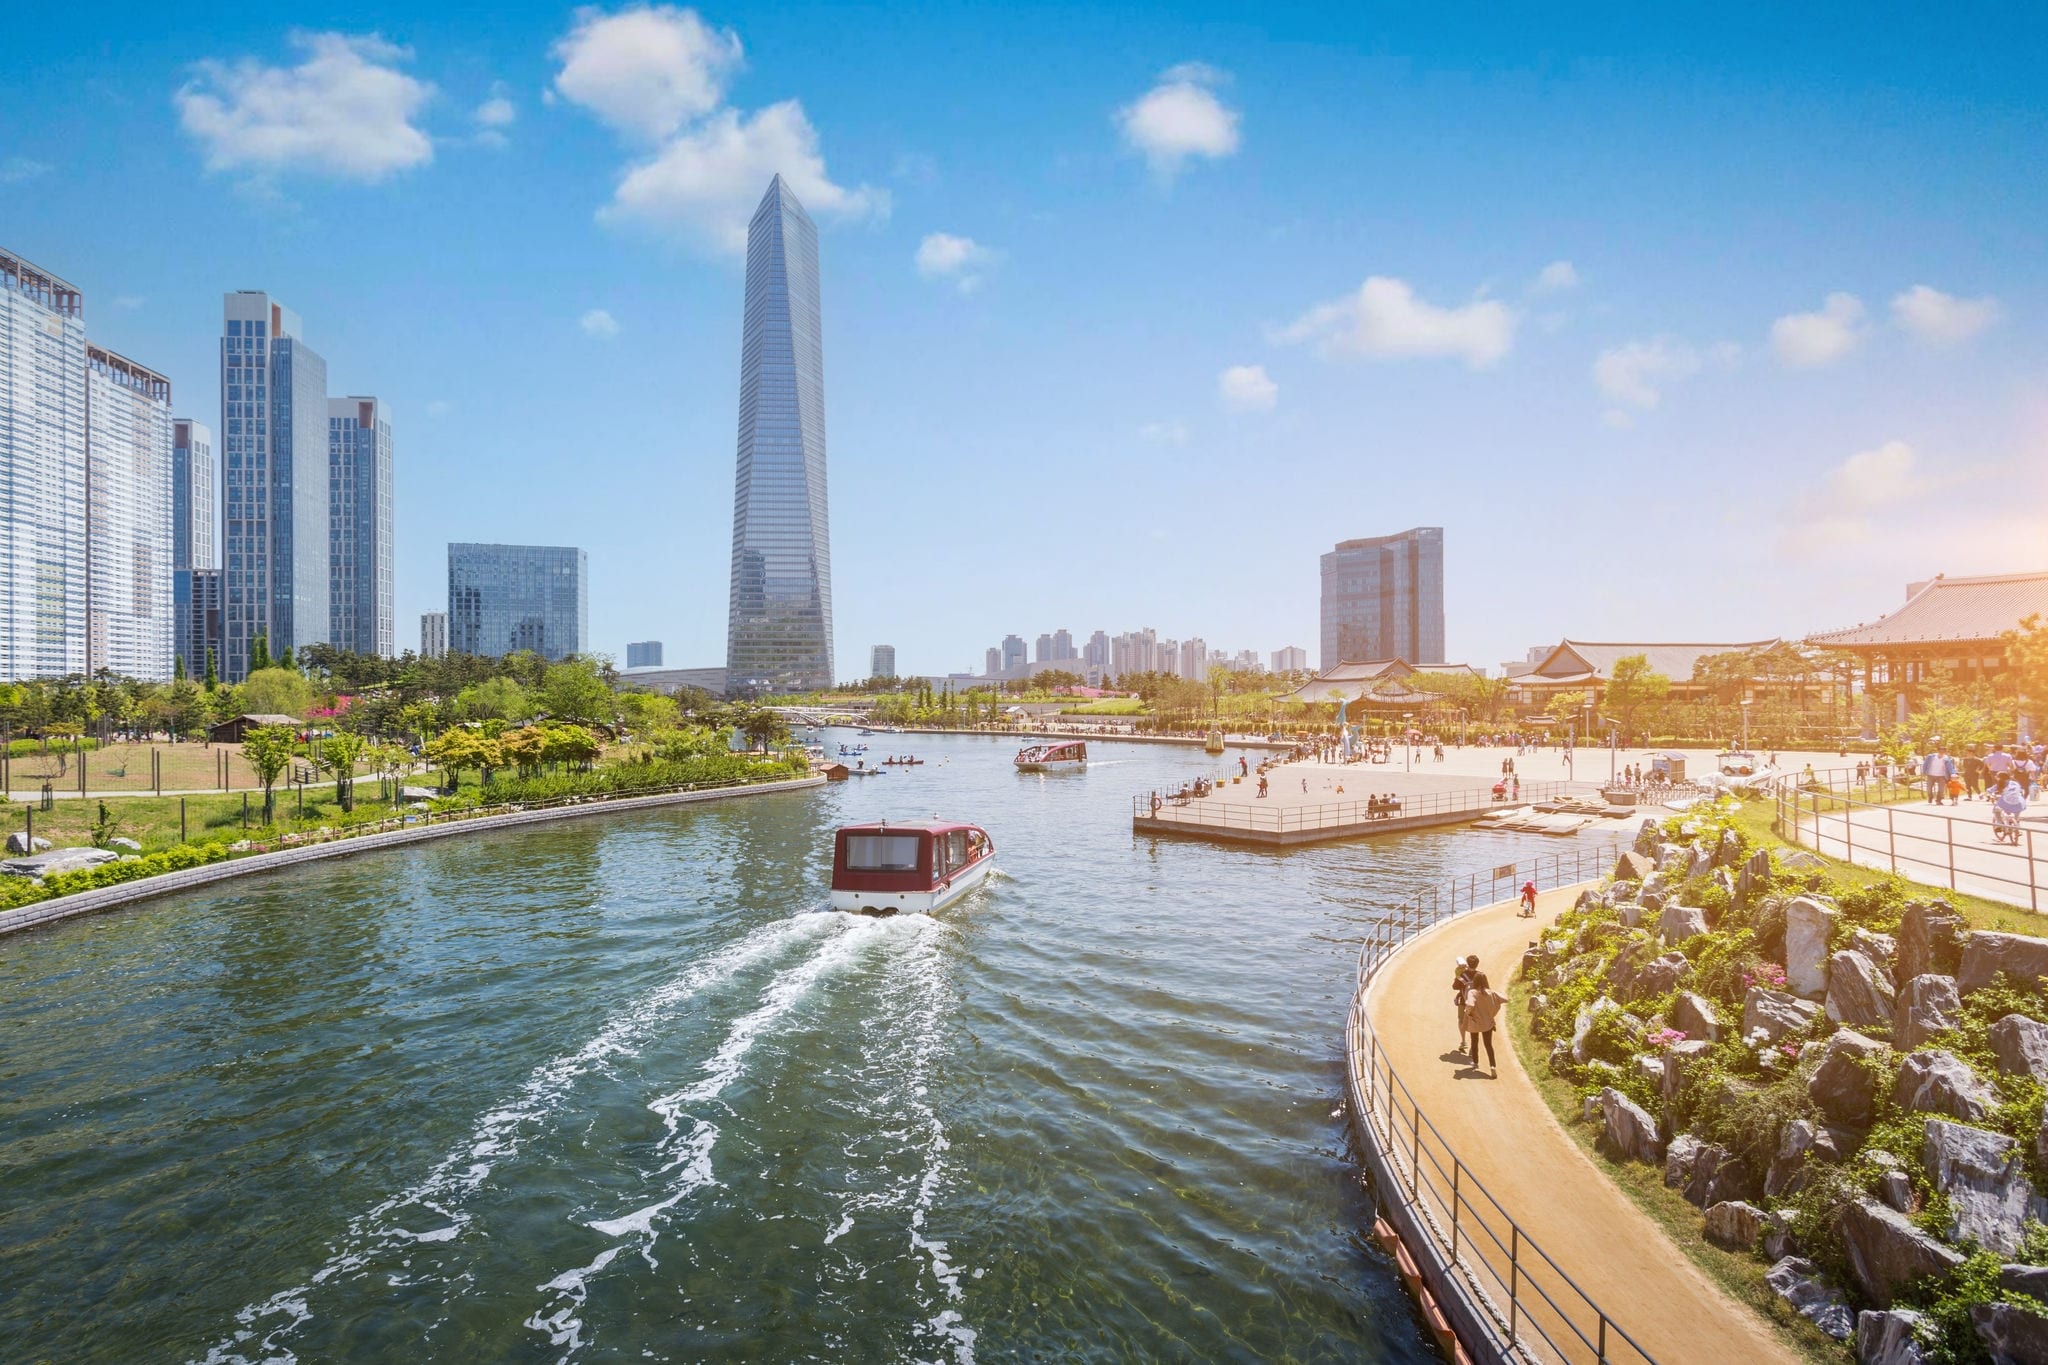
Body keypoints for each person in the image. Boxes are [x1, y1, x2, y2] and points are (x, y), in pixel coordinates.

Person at [1459, 969, 1506, 1075]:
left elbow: (1470, 1005)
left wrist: (1468, 1011)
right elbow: (1504, 998)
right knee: (1488, 1045)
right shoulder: (1491, 993)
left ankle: (1475, 1063)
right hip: (1488, 1023)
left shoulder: (1472, 992)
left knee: (1474, 1042)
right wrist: (1493, 1009)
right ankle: (1492, 1066)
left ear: (1475, 981)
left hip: (1475, 1023)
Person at [1451, 956, 1476, 1051]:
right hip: (1475, 1002)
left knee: (1461, 1020)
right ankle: (1473, 1045)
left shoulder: (1462, 975)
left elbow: (1454, 987)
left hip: (1463, 1001)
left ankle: (1463, 1041)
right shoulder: (1480, 975)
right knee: (1474, 1022)